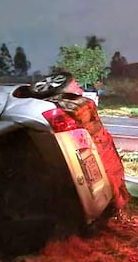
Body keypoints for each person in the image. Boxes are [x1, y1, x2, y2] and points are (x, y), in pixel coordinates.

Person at [37, 70, 130, 213]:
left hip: (97, 148)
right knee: (111, 181)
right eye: (75, 85)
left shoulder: (71, 105)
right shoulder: (84, 104)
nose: (79, 88)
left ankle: (116, 207)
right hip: (101, 148)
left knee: (106, 181)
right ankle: (118, 208)